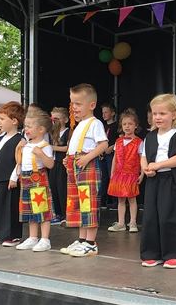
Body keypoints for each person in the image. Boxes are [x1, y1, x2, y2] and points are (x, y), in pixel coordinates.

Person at [140, 94, 176, 269]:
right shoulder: (150, 137)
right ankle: (152, 253)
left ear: (174, 115)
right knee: (151, 216)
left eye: (162, 113)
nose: (158, 117)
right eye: (155, 114)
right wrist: (146, 169)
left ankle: (174, 253)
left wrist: (158, 165)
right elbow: (143, 156)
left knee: (168, 216)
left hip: (170, 180)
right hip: (153, 180)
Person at [60, 83, 108, 257]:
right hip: (76, 165)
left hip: (88, 166)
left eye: (78, 103)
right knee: (79, 204)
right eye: (73, 103)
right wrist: (68, 159)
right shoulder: (78, 125)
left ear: (92, 105)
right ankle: (81, 240)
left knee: (89, 203)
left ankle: (90, 242)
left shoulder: (95, 123)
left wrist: (88, 157)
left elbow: (103, 144)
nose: (74, 107)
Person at [13, 109, 55, 252]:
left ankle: (45, 239)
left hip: (38, 179)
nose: (26, 129)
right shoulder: (26, 145)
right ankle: (32, 237)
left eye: (30, 126)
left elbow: (50, 164)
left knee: (42, 209)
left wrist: (41, 154)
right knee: (30, 210)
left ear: (41, 129)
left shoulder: (45, 146)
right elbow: (19, 162)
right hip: (25, 179)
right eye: (26, 126)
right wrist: (18, 150)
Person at [0, 101, 25, 247]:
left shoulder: (20, 139)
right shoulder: (0, 138)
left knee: (11, 207)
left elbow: (19, 161)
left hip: (10, 178)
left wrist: (14, 177)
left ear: (14, 121)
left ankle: (12, 234)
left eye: (3, 119)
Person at [107, 108, 144, 233]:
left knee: (132, 199)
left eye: (130, 124)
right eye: (124, 124)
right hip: (119, 174)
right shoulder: (118, 141)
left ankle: (133, 222)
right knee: (120, 199)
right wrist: (112, 172)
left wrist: (142, 174)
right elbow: (115, 159)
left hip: (132, 174)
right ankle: (121, 223)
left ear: (136, 126)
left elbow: (142, 159)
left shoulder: (139, 142)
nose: (127, 127)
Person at [48, 107, 70, 225]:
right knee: (54, 188)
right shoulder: (52, 133)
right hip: (53, 163)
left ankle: (66, 214)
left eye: (57, 118)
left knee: (62, 189)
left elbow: (68, 147)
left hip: (62, 163)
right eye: (53, 118)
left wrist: (53, 147)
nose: (54, 121)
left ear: (65, 119)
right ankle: (58, 214)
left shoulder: (68, 132)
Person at [100, 102, 118, 209]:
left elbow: (120, 139)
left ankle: (115, 201)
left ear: (113, 113)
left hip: (112, 155)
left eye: (106, 112)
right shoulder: (102, 126)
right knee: (104, 178)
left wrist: (112, 147)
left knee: (113, 176)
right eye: (103, 113)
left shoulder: (116, 125)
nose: (104, 114)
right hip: (103, 155)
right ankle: (102, 201)